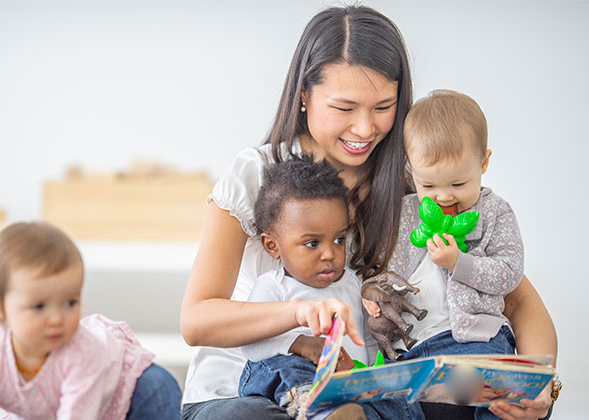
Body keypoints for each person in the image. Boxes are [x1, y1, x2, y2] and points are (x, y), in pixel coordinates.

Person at [180, 5, 557, 420]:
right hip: (244, 385)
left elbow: (518, 299)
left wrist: (542, 386)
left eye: (382, 107)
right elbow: (197, 319)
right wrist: (299, 315)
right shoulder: (258, 173)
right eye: (344, 108)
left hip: (361, 386)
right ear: (304, 95)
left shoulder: (420, 188)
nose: (364, 129)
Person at [369, 89, 521, 419]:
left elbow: (510, 272)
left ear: (483, 162)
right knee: (389, 402)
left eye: (457, 184)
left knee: (496, 392)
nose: (442, 197)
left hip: (476, 340)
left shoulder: (495, 212)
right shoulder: (404, 214)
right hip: (414, 349)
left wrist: (458, 263)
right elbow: (384, 272)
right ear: (411, 171)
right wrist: (375, 298)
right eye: (428, 186)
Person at [0, 221, 182, 419]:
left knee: (158, 388)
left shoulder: (81, 351)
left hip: (124, 388)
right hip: (54, 408)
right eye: (38, 306)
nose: (56, 319)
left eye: (70, 303)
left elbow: (76, 413)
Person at [237, 156, 366, 420]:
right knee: (287, 367)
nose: (330, 253)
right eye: (312, 244)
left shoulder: (352, 283)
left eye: (339, 239)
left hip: (343, 382)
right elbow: (250, 345)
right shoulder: (273, 286)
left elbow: (365, 339)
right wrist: (302, 344)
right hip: (283, 381)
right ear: (273, 246)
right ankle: (318, 410)